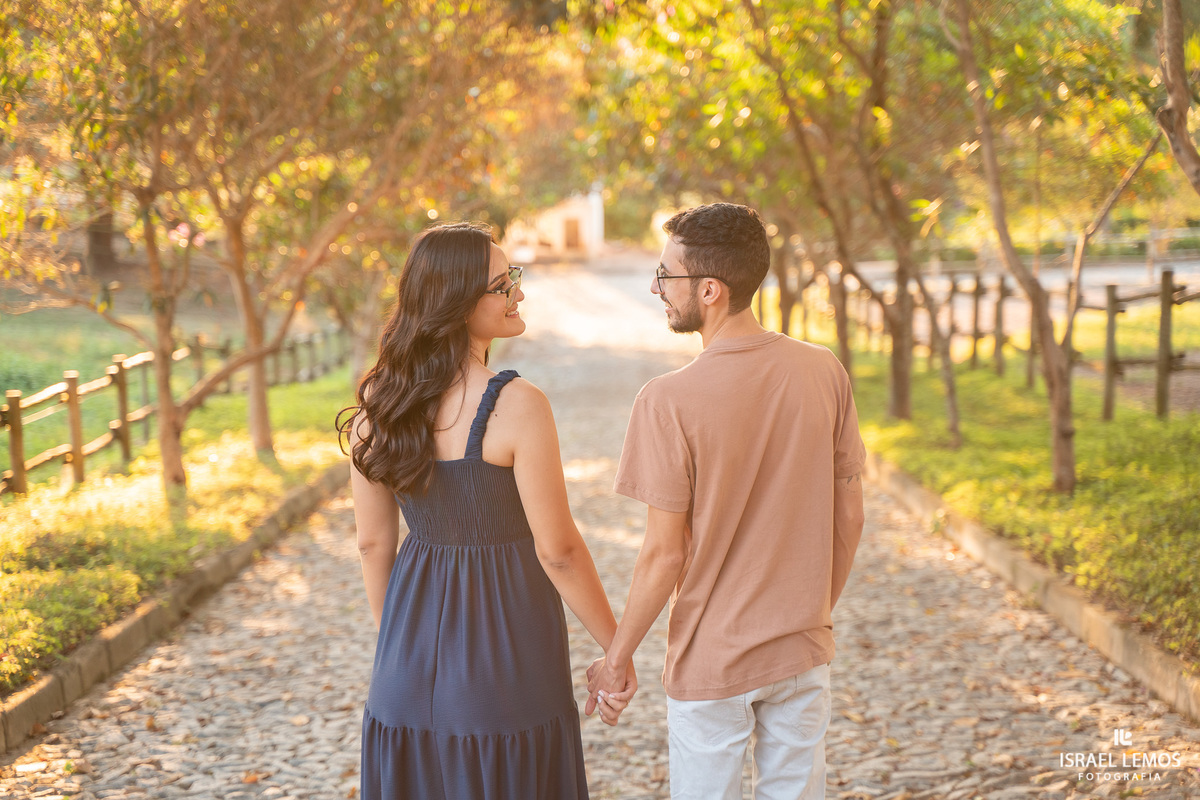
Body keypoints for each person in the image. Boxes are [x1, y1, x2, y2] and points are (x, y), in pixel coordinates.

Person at [339, 222, 632, 800]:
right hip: (508, 658)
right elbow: (559, 550)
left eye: (513, 276)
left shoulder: (379, 406)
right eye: (503, 284)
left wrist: (398, 643)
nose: (519, 292)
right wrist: (615, 649)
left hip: (404, 662)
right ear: (456, 302)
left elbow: (372, 545)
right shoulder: (518, 404)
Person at [586, 203, 866, 799]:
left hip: (710, 663)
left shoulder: (666, 401)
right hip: (801, 650)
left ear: (710, 289)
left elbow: (664, 555)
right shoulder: (824, 371)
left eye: (666, 276)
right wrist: (810, 611)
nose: (658, 289)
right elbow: (850, 514)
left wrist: (616, 658)